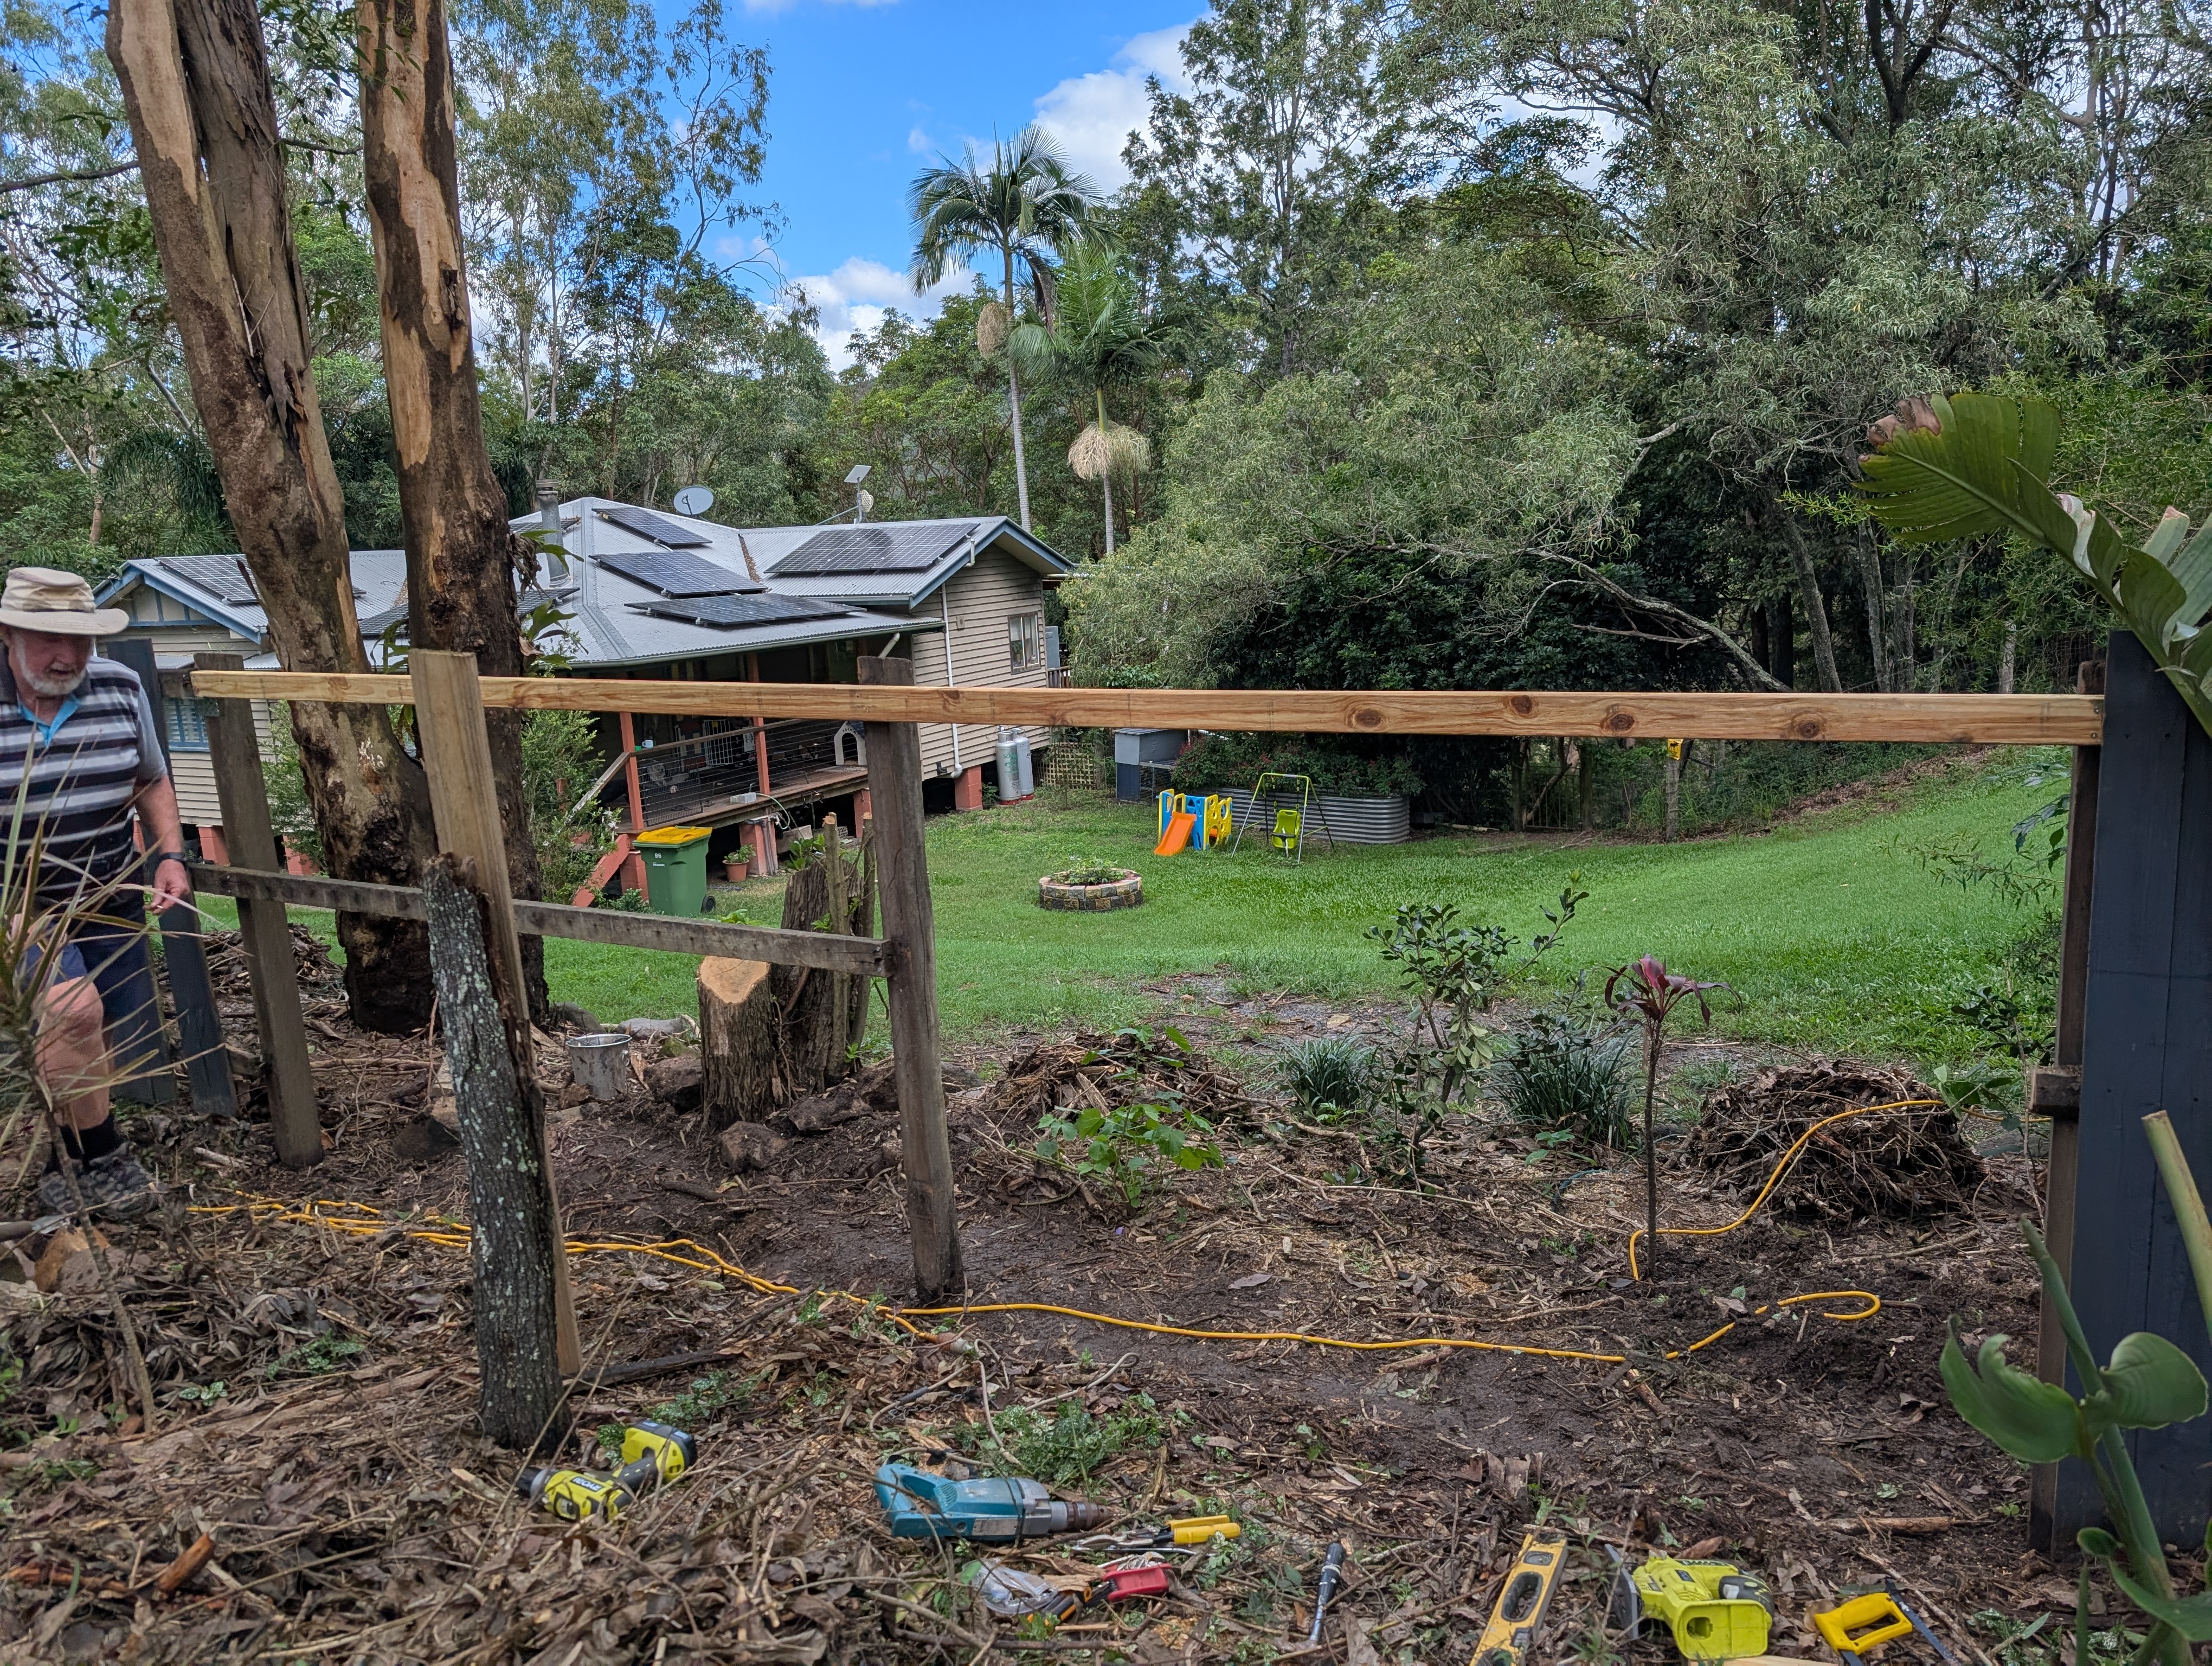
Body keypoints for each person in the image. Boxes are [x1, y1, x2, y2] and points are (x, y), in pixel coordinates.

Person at [0, 567, 193, 1220]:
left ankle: (74, 1163)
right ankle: (98, 1151)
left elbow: (150, 776)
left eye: (81, 640)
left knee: (96, 1026)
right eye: (52, 640)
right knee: (71, 1012)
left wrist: (170, 854)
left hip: (109, 889)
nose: (71, 656)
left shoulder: (119, 686)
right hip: (17, 899)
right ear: (8, 635)